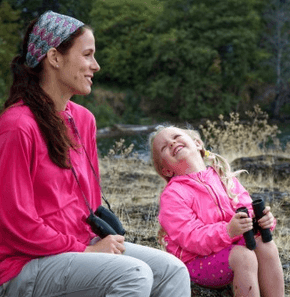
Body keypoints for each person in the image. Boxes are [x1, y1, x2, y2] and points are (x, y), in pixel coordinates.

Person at [0, 11, 190, 297]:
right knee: (133, 275)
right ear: (54, 58)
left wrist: (92, 244)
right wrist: (85, 249)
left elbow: (86, 204)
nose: (96, 65)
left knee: (173, 270)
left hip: (79, 247)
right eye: (87, 55)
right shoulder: (17, 126)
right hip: (24, 264)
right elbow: (15, 223)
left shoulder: (83, 120)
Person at [149, 126, 285, 297]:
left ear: (197, 144)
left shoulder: (223, 176)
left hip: (229, 246)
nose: (172, 143)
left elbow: (247, 209)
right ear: (166, 170)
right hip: (195, 261)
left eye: (176, 136)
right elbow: (191, 237)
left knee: (266, 245)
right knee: (243, 257)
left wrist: (262, 221)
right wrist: (227, 231)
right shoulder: (173, 195)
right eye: (164, 147)